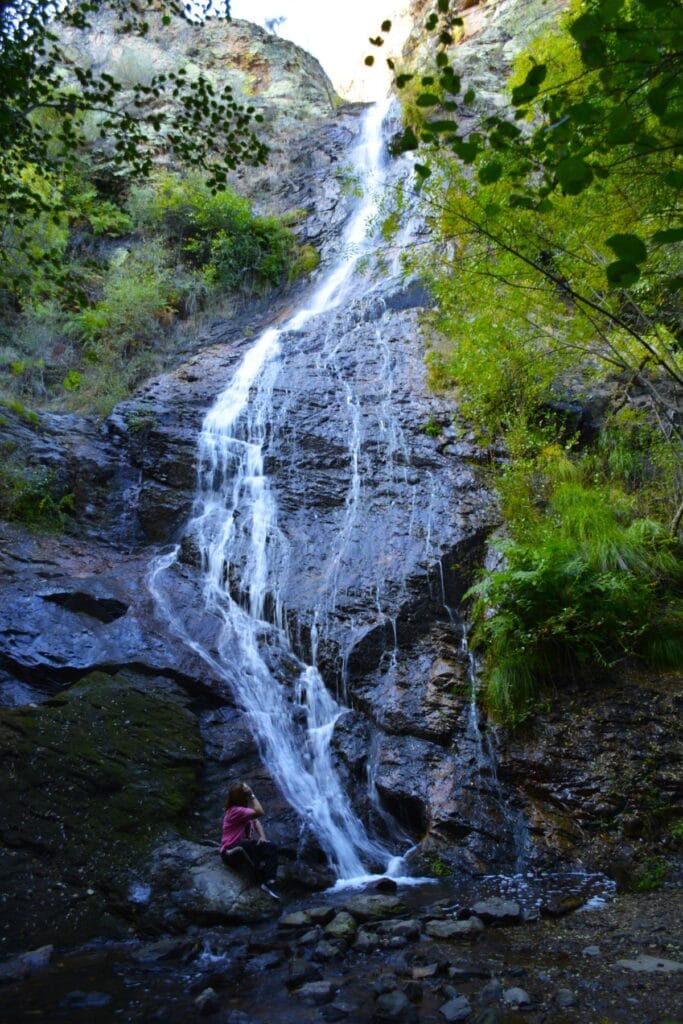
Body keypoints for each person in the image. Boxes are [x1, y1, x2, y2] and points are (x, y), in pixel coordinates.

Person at [220, 781, 280, 899]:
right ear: (243, 796)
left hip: (244, 847)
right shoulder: (234, 811)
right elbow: (260, 812)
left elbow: (256, 821)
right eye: (246, 793)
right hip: (230, 851)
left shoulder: (242, 811)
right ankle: (257, 870)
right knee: (245, 846)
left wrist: (262, 837)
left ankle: (269, 883)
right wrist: (252, 794)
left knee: (272, 847)